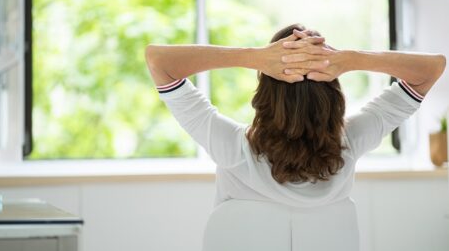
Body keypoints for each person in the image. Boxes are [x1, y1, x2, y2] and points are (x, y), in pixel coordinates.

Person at [145, 23, 446, 250]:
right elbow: (432, 68)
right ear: (333, 93)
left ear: (265, 93)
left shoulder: (234, 150)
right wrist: (348, 60)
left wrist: (255, 57)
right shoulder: (351, 143)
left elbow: (159, 60)